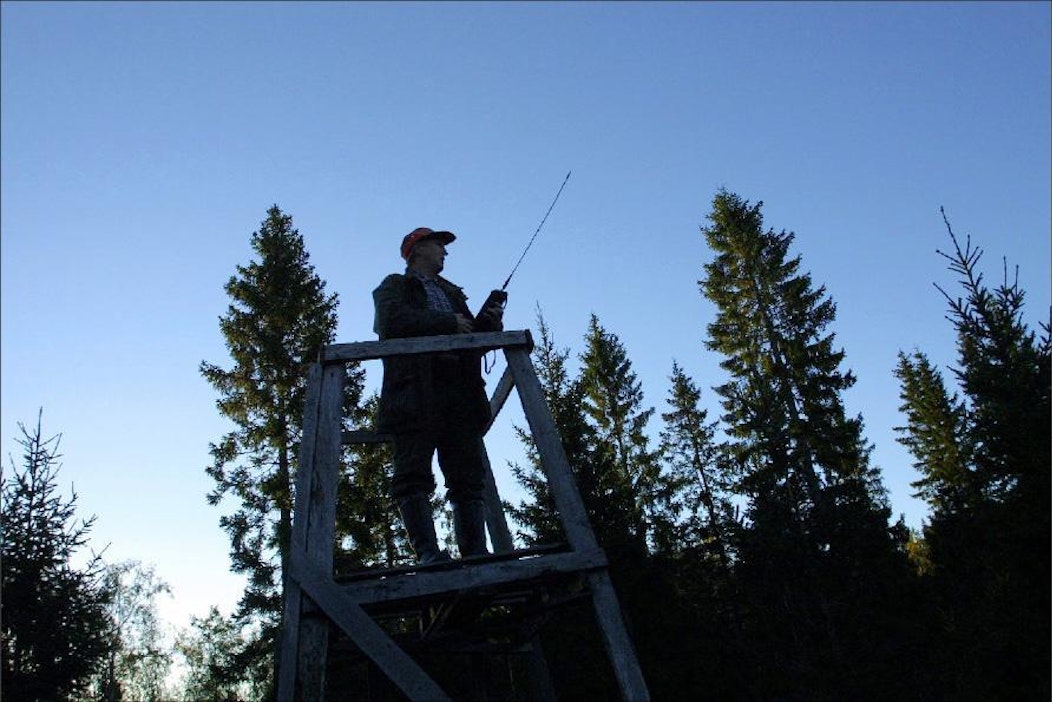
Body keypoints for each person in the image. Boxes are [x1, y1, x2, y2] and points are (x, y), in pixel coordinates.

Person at [372, 227, 505, 564]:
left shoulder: (452, 293)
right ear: (416, 250)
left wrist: (489, 324)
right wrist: (447, 322)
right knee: (412, 473)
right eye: (438, 245)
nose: (445, 252)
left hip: (459, 391)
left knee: (467, 477)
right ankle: (428, 555)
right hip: (414, 391)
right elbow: (390, 321)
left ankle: (475, 554)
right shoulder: (395, 286)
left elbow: (470, 335)